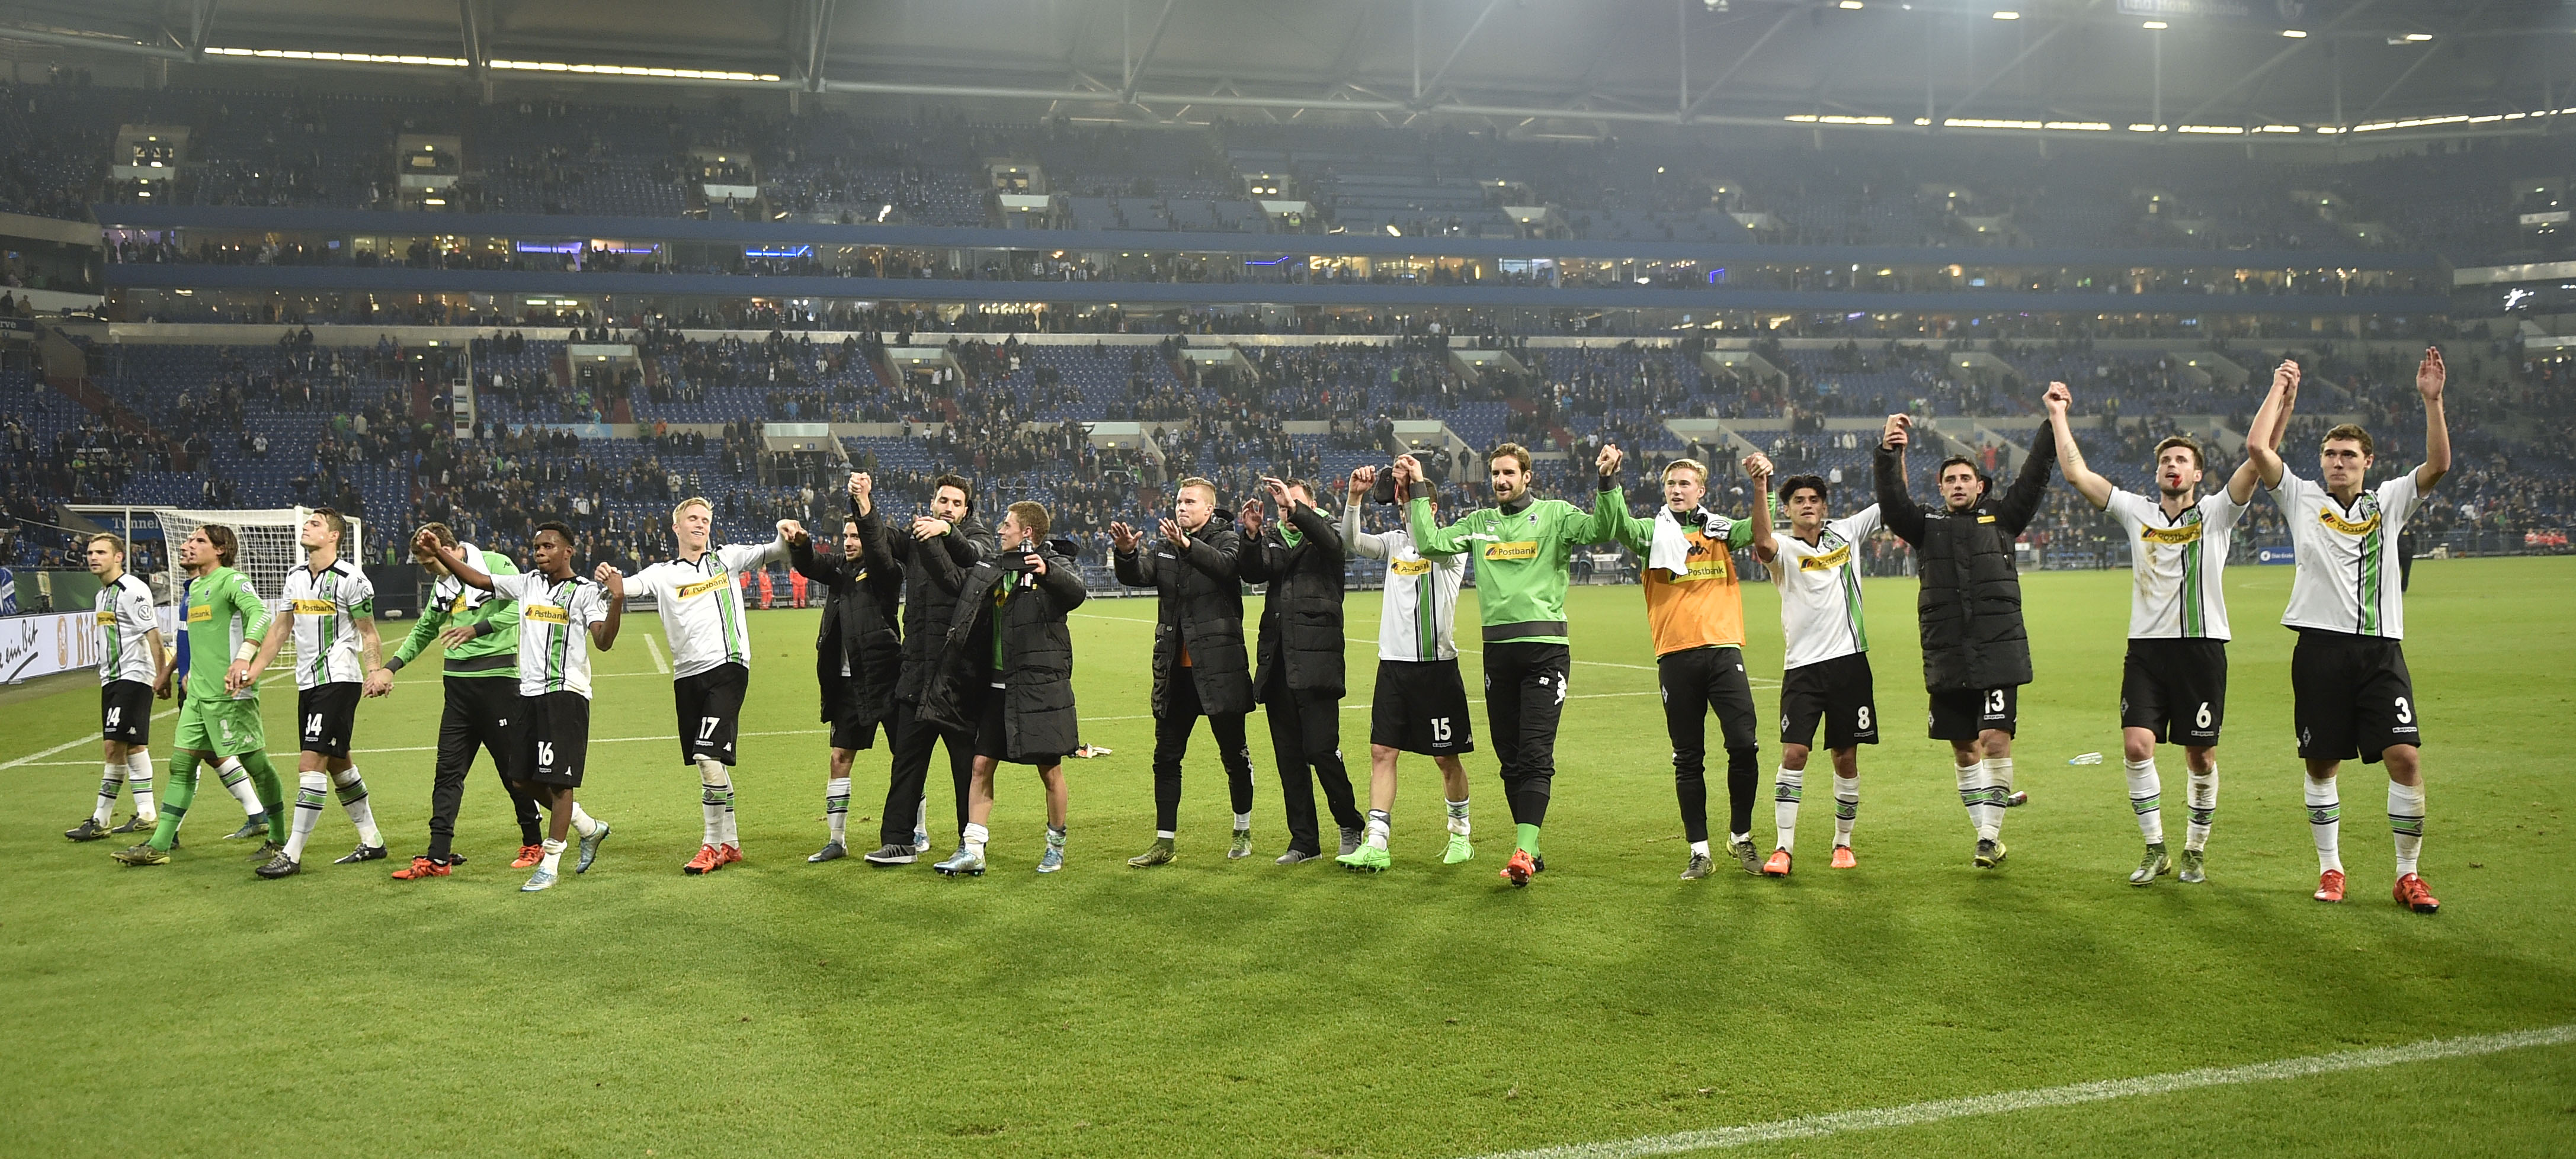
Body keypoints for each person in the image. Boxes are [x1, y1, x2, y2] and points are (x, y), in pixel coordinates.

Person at [2245, 347, 2450, 914]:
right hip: (2319, 650)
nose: (2338, 462)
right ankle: (2331, 868)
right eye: (2331, 454)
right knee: (2322, 764)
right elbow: (2259, 448)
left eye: (2349, 455)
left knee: (2405, 757)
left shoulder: (2390, 502)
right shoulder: (2301, 498)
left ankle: (2408, 875)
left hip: (2380, 653)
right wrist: (2279, 391)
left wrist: (2432, 401)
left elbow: (2437, 465)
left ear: (2367, 461)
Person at [2045, 377, 2273, 887]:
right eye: (2166, 460)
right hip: (2147, 651)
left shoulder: (2217, 512)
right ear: (2156, 473)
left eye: (2182, 460)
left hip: (2201, 648)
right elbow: (2076, 473)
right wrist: (2059, 413)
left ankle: (2195, 848)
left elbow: (2258, 460)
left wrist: (2280, 398)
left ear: (2197, 473)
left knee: (2201, 754)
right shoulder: (2137, 511)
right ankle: (2155, 848)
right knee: (2135, 746)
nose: (2173, 465)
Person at [1402, 442, 1621, 887]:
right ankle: (1531, 850)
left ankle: (1522, 849)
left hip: (1544, 651)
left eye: (1508, 473)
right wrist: (1420, 487)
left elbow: (1604, 528)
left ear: (1527, 477)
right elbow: (1430, 543)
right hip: (1498, 654)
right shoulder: (1479, 524)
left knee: (1536, 752)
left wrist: (1607, 481)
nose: (1501, 480)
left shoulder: (1556, 515)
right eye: (1496, 474)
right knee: (1510, 757)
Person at [1873, 411, 2057, 869]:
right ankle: (1986, 833)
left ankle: (1988, 837)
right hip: (1948, 654)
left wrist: (2052, 424)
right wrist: (1889, 452)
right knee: (1963, 747)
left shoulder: (2004, 519)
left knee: (1994, 739)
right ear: (1940, 488)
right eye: (1950, 479)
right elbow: (1893, 505)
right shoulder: (1926, 525)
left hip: (1998, 652)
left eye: (1965, 478)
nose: (1958, 485)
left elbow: (2034, 478)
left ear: (1981, 485)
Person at [1596, 450, 1771, 879]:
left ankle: (1741, 836)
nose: (1677, 490)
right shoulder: (1651, 532)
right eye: (1671, 484)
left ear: (1701, 491)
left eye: (1684, 484)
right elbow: (1619, 526)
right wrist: (1609, 480)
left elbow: (1761, 532)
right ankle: (1699, 850)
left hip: (1724, 650)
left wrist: (1761, 486)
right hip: (1675, 655)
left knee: (1744, 745)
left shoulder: (1720, 530)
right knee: (1688, 757)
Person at [416, 522, 621, 892]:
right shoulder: (527, 584)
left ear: (568, 551)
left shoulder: (585, 592)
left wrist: (617, 600)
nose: (539, 551)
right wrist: (442, 552)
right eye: (537, 546)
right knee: (522, 779)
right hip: (528, 694)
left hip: (566, 694)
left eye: (548, 546)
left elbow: (604, 641)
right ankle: (588, 827)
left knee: (560, 783)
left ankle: (550, 863)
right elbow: (478, 580)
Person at [624, 498, 797, 875]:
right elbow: (627, 587)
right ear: (677, 527)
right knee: (711, 758)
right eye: (693, 519)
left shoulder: (727, 559)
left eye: (705, 519)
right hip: (686, 676)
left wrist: (784, 532)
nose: (700, 524)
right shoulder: (662, 573)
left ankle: (712, 844)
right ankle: (731, 843)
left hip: (727, 667)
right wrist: (609, 581)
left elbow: (777, 551)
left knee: (706, 756)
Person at [918, 502, 1085, 876]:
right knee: (980, 766)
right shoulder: (996, 565)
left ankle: (1055, 846)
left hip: (1039, 688)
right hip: (996, 687)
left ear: (1027, 532)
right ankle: (973, 849)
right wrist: (941, 537)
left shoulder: (1054, 564)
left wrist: (1046, 572)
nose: (1000, 530)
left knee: (1049, 771)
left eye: (1007, 525)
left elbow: (1076, 592)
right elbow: (961, 570)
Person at [370, 523, 544, 880]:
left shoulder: (495, 563)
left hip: (498, 684)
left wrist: (477, 629)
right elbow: (424, 629)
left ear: (448, 550)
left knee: (514, 773)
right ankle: (438, 858)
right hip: (458, 691)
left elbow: (524, 605)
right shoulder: (443, 586)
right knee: (447, 773)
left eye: (430, 563)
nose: (428, 572)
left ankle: (534, 842)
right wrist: (390, 668)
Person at [113, 525, 286, 866]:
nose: (188, 545)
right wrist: (179, 671)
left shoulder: (231, 581)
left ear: (220, 549)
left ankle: (278, 838)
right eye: (190, 540)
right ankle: (159, 845)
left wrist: (244, 658)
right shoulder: (194, 588)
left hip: (230, 693)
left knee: (256, 766)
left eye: (199, 541)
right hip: (197, 694)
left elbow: (261, 614)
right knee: (181, 764)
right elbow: (196, 638)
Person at [1334, 464, 1476, 872]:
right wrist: (1355, 498)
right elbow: (1351, 542)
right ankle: (1377, 842)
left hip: (1436, 669)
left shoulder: (1451, 545)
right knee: (1382, 751)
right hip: (1393, 667)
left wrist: (1412, 491)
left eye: (1410, 506)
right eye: (1401, 508)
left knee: (1445, 759)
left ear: (1431, 508)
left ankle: (1460, 834)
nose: (1404, 514)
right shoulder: (1395, 543)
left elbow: (1427, 542)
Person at [1111, 477, 1258, 867]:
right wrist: (1126, 553)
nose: (1181, 507)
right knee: (1166, 757)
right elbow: (1140, 574)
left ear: (1208, 508)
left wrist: (1189, 546)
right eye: (1179, 501)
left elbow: (1227, 567)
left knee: (1234, 754)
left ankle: (1242, 830)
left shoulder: (1227, 539)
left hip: (1220, 668)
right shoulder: (1167, 545)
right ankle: (1165, 842)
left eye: (1190, 501)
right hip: (1175, 671)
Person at [245, 508, 390, 878]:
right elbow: (281, 629)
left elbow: (368, 631)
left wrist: (375, 671)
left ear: (334, 536)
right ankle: (372, 840)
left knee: (310, 763)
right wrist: (254, 669)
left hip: (338, 679)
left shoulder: (352, 579)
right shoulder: (295, 576)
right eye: (307, 522)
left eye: (315, 524)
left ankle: (291, 854)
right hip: (307, 682)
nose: (306, 527)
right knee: (339, 762)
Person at [1748, 474, 1880, 874]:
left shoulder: (1846, 532)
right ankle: (1783, 848)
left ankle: (1843, 843)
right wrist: (1760, 486)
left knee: (1845, 756)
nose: (1807, 504)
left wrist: (1894, 454)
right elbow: (1762, 542)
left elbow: (1891, 502)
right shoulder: (1783, 549)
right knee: (1794, 752)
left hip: (1849, 663)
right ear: (1787, 509)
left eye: (1814, 499)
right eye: (1799, 500)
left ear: (1824, 506)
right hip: (1802, 668)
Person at [869, 472, 996, 865]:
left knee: (965, 769)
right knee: (906, 764)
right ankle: (898, 842)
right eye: (944, 501)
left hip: (960, 679)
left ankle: (968, 843)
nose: (949, 508)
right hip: (916, 673)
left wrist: (945, 532)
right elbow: (879, 540)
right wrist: (865, 505)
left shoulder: (979, 538)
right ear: (932, 502)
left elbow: (973, 555)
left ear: (967, 510)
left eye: (957, 504)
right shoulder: (916, 537)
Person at [1238, 476, 1364, 865]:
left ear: (1311, 503)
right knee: (1289, 758)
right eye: (1281, 506)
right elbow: (1253, 572)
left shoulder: (1328, 533)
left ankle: (1350, 824)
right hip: (1278, 663)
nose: (1287, 511)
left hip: (1317, 661)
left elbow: (1334, 545)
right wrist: (1252, 535)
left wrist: (1298, 511)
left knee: (1321, 750)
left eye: (1294, 504)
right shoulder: (1274, 541)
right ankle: (1305, 841)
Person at [788, 473, 904, 863]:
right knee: (840, 757)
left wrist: (866, 507)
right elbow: (811, 564)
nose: (850, 542)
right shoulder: (839, 569)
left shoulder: (888, 573)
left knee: (904, 758)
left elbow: (880, 552)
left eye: (856, 536)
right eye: (846, 536)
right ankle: (836, 839)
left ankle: (916, 830)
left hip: (886, 679)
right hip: (847, 685)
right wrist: (801, 544)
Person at [65, 533, 164, 842]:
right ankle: (146, 814)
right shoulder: (102, 595)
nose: (93, 558)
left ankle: (101, 818)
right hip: (111, 678)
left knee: (112, 746)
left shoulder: (132, 590)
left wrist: (161, 676)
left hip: (133, 676)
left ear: (119, 557)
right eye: (90, 553)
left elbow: (153, 635)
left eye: (101, 553)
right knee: (133, 745)